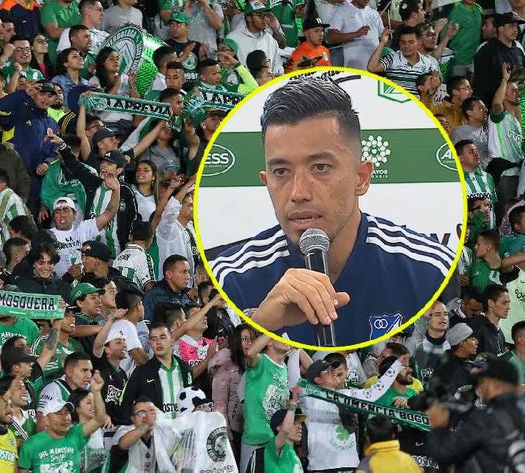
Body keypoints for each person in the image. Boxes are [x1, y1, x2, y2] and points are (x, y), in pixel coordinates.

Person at [209, 76, 455, 345]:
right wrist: (260, 325)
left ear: (361, 178)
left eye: (320, 168)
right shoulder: (230, 277)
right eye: (281, 171)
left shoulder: (430, 271)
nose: (298, 193)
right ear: (266, 181)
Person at [426, 357, 523, 471]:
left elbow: (443, 453)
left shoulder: (485, 419)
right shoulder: (521, 412)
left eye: (482, 382)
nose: (479, 387)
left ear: (494, 386)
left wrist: (438, 426)